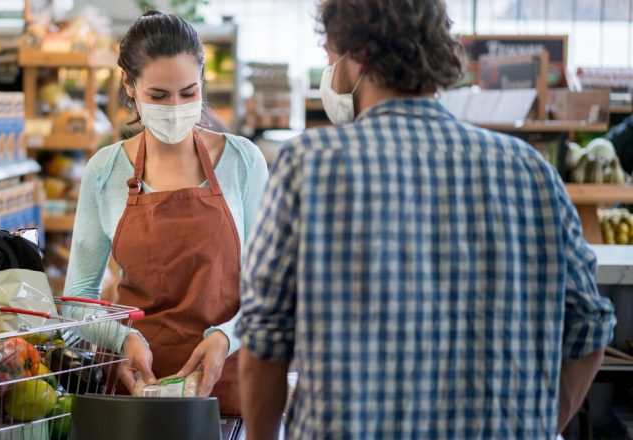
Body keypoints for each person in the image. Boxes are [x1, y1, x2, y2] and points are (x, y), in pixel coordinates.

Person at [237, 0, 617, 438]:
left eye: (328, 56)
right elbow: (591, 327)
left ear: (355, 53)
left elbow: (264, 345)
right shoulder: (530, 171)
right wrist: (539, 426)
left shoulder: (310, 165)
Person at [63, 10, 268, 416]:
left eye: (188, 93)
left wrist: (226, 337)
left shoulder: (243, 162)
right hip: (138, 394)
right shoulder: (105, 172)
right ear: (128, 84)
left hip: (226, 393)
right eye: (158, 96)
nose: (175, 107)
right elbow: (75, 302)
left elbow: (271, 292)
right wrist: (121, 340)